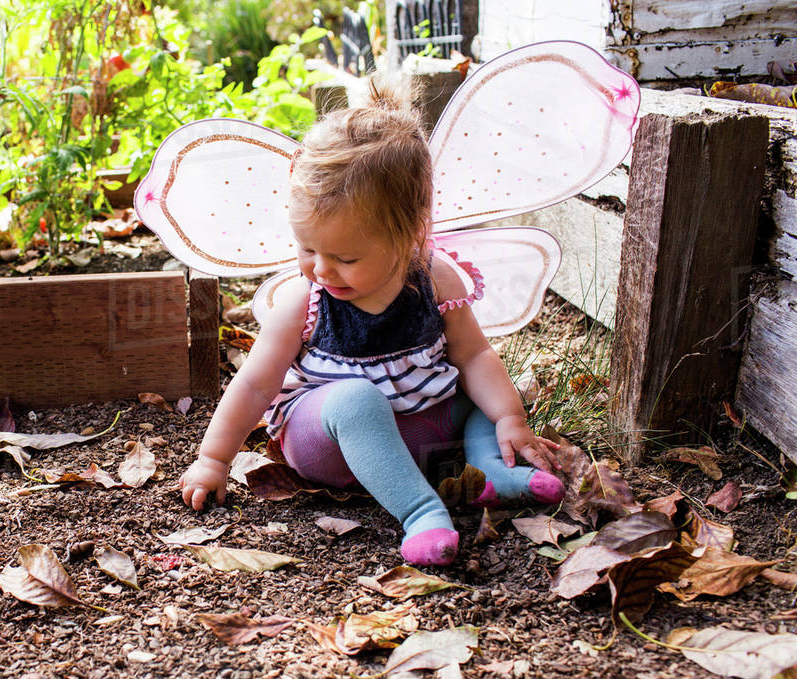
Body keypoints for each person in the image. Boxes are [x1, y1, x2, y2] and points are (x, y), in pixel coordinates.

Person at [176, 87, 564, 567]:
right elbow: (255, 384)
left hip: (420, 430)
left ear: (411, 234)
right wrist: (213, 460)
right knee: (357, 399)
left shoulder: (436, 279)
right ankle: (422, 512)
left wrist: (510, 419)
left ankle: (488, 470)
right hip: (333, 443)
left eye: (345, 257)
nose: (320, 268)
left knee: (487, 389)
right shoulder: (306, 300)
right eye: (307, 249)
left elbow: (474, 355)